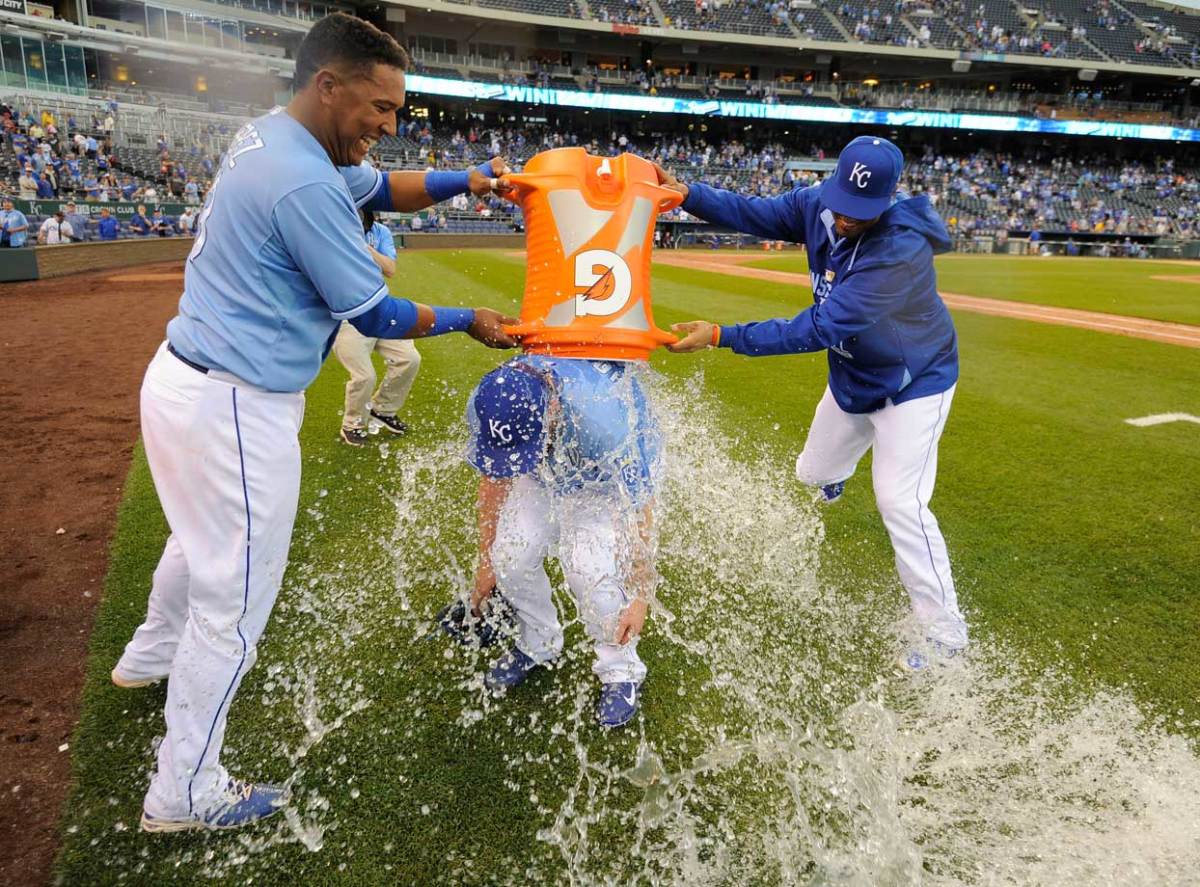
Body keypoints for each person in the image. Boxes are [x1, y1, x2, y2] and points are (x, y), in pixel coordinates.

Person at [108, 13, 519, 834]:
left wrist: (465, 181)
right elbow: (374, 306)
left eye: (397, 111)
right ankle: (183, 790)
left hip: (187, 379)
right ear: (327, 85)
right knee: (236, 596)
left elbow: (383, 189)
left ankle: (150, 652)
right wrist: (469, 315)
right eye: (379, 107)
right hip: (233, 402)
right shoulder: (301, 180)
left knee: (195, 538)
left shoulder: (280, 138)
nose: (388, 126)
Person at [658, 136, 969, 669]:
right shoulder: (816, 204)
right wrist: (688, 195)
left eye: (860, 213)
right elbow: (754, 212)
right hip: (854, 374)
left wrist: (720, 335)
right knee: (812, 473)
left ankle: (946, 634)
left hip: (915, 383)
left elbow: (820, 327)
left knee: (900, 502)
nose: (846, 219)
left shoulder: (900, 252)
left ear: (888, 200)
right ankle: (838, 468)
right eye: (842, 205)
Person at [462, 356, 658, 728]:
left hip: (604, 486)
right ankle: (538, 642)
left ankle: (621, 669)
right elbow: (493, 482)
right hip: (544, 475)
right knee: (510, 557)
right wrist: (486, 560)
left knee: (588, 571)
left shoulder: (604, 420)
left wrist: (640, 592)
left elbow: (641, 505)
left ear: (552, 406)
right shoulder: (488, 399)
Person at [333, 210, 420, 445]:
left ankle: (383, 410)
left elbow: (390, 269)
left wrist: (365, 247)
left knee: (409, 359)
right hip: (348, 317)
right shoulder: (333, 230)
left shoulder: (381, 232)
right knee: (364, 376)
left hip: (380, 309)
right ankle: (353, 424)